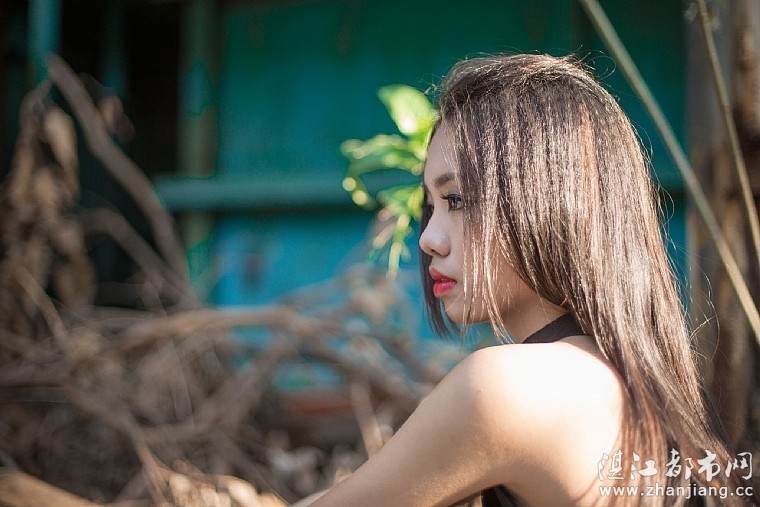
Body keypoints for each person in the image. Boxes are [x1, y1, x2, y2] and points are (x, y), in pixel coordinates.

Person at [303, 53, 753, 506]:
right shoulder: (654, 390)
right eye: (430, 206)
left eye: (456, 200)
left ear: (548, 199)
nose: (428, 239)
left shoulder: (508, 387)